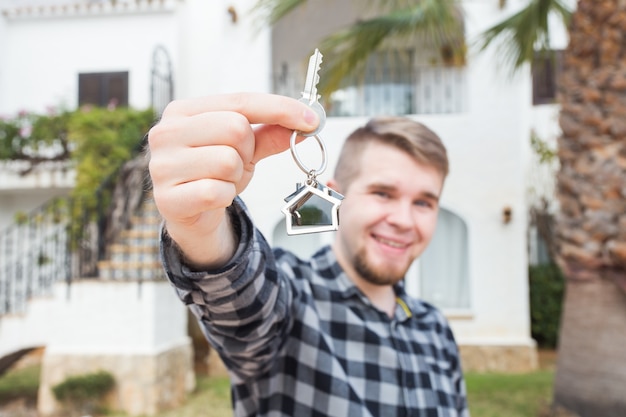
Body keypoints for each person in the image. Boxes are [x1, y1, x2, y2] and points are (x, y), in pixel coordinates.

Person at [148, 93, 469, 417]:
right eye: (383, 193)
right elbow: (243, 300)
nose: (404, 220)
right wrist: (204, 229)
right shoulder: (293, 296)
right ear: (335, 195)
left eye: (424, 202)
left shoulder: (436, 329)